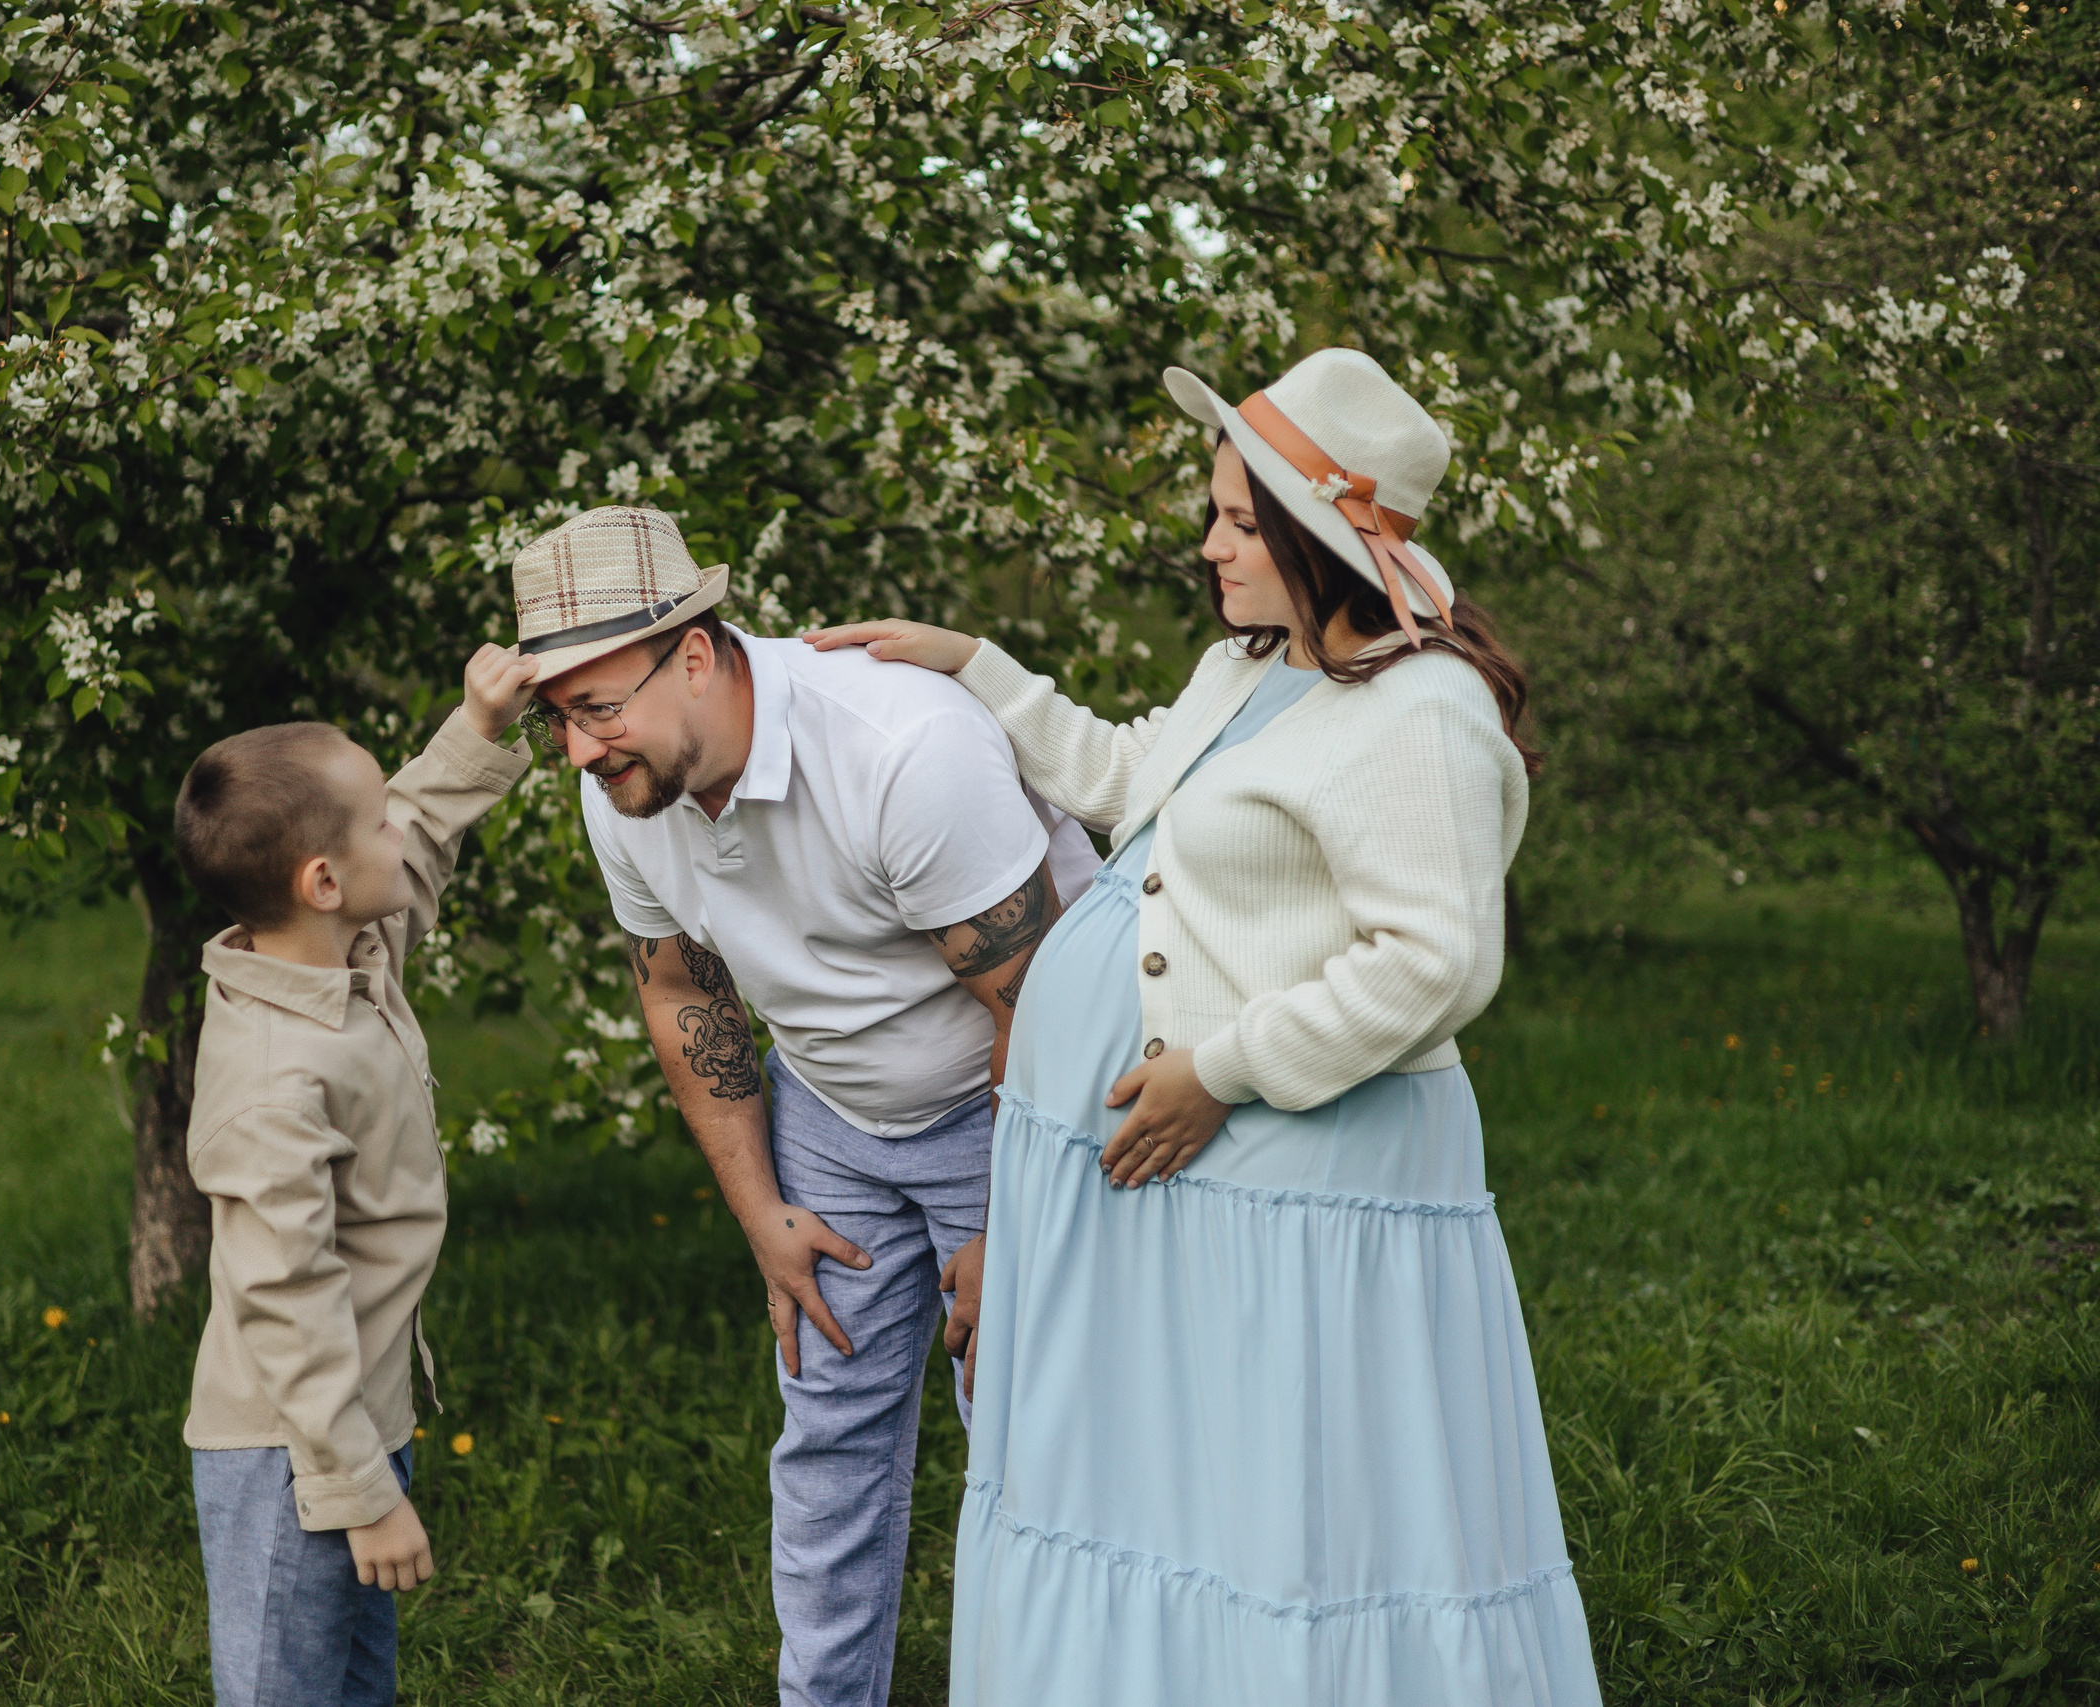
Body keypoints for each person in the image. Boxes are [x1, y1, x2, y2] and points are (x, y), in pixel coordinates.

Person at [807, 350, 1605, 1705]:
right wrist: (975, 668)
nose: (1210, 545)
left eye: (1240, 521)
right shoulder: (1249, 669)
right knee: (1176, 1489)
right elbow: (1136, 780)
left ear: (1317, 536)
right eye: (1217, 514)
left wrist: (1220, 1072)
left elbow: (1436, 959)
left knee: (1288, 1503)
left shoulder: (1422, 709)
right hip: (1185, 1179)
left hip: (1299, 1181)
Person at [508, 504, 1097, 1707]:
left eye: (596, 707)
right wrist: (762, 1210)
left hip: (1010, 1100)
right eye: (552, 717)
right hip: (827, 1111)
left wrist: (1013, 1224)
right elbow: (682, 991)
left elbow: (1040, 1004)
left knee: (1030, 1440)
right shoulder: (624, 781)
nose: (575, 751)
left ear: (694, 654)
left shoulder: (899, 748)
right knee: (827, 1441)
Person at [172, 643, 541, 1707]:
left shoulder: (344, 953)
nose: (398, 831)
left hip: (356, 1420)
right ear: (323, 882)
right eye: (375, 820)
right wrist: (361, 1494)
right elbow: (284, 1296)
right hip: (292, 1455)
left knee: (353, 1683)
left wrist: (477, 727)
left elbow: (419, 834)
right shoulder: (274, 1081)